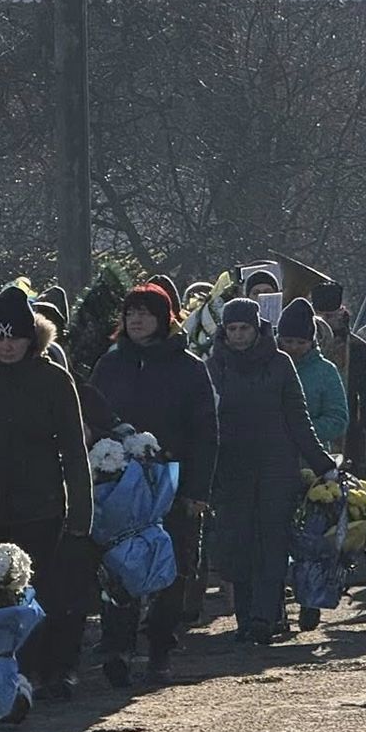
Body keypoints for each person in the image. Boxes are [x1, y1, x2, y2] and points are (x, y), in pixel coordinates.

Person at [0, 287, 95, 699]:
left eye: (15, 337)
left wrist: (80, 515)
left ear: (31, 338)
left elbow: (74, 449)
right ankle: (7, 677)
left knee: (50, 593)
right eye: (0, 337)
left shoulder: (54, 380)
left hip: (43, 505)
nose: (7, 345)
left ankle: (56, 669)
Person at [89, 283, 218, 687]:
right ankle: (118, 645)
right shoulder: (110, 366)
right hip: (119, 483)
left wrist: (198, 490)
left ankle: (160, 646)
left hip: (172, 482)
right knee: (117, 563)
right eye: (130, 314)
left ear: (165, 319)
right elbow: (93, 415)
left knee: (171, 565)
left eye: (145, 313)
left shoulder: (189, 367)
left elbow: (205, 432)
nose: (137, 320)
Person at [206, 298, 339, 644]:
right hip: (232, 466)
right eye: (232, 329)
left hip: (276, 465)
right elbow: (204, 420)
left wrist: (322, 464)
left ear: (257, 329)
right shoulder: (214, 365)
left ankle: (265, 617)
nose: (237, 335)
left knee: (272, 542)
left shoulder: (280, 364)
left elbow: (298, 417)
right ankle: (245, 617)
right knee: (238, 543)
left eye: (244, 328)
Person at [312, 282, 366, 475]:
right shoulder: (302, 347)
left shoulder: (357, 347)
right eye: (321, 316)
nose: (326, 321)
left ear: (341, 313)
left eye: (330, 316)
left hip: (348, 425)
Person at [277, 298, 350, 451]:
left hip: (311, 456)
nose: (294, 347)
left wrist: (301, 430)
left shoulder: (326, 371)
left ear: (312, 342)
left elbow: (338, 420)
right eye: (288, 341)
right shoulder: (266, 366)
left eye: (301, 342)